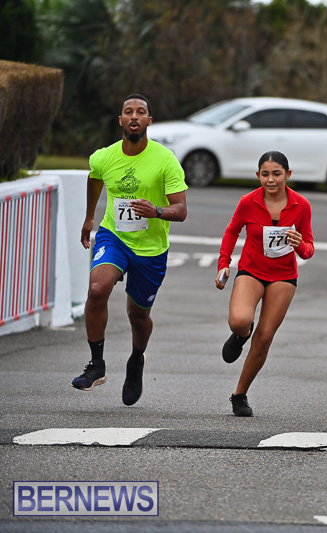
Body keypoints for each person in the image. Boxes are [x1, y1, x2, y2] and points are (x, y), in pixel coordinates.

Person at [71, 94, 188, 406]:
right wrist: (89, 217)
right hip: (114, 236)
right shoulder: (103, 158)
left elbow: (181, 209)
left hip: (150, 249)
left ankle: (136, 360)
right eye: (128, 112)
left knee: (138, 317)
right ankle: (96, 364)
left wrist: (156, 211)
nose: (134, 116)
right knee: (97, 289)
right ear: (120, 121)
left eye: (141, 112)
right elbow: (95, 179)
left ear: (149, 121)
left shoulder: (165, 160)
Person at [216, 151, 314, 417]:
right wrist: (223, 264)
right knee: (239, 320)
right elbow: (232, 231)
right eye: (265, 174)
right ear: (258, 175)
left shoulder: (301, 205)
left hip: (283, 275)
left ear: (288, 175)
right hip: (252, 269)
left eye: (277, 174)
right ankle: (241, 334)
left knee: (265, 337)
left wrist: (299, 245)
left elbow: (309, 249)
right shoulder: (248, 201)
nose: (271, 180)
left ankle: (239, 394)